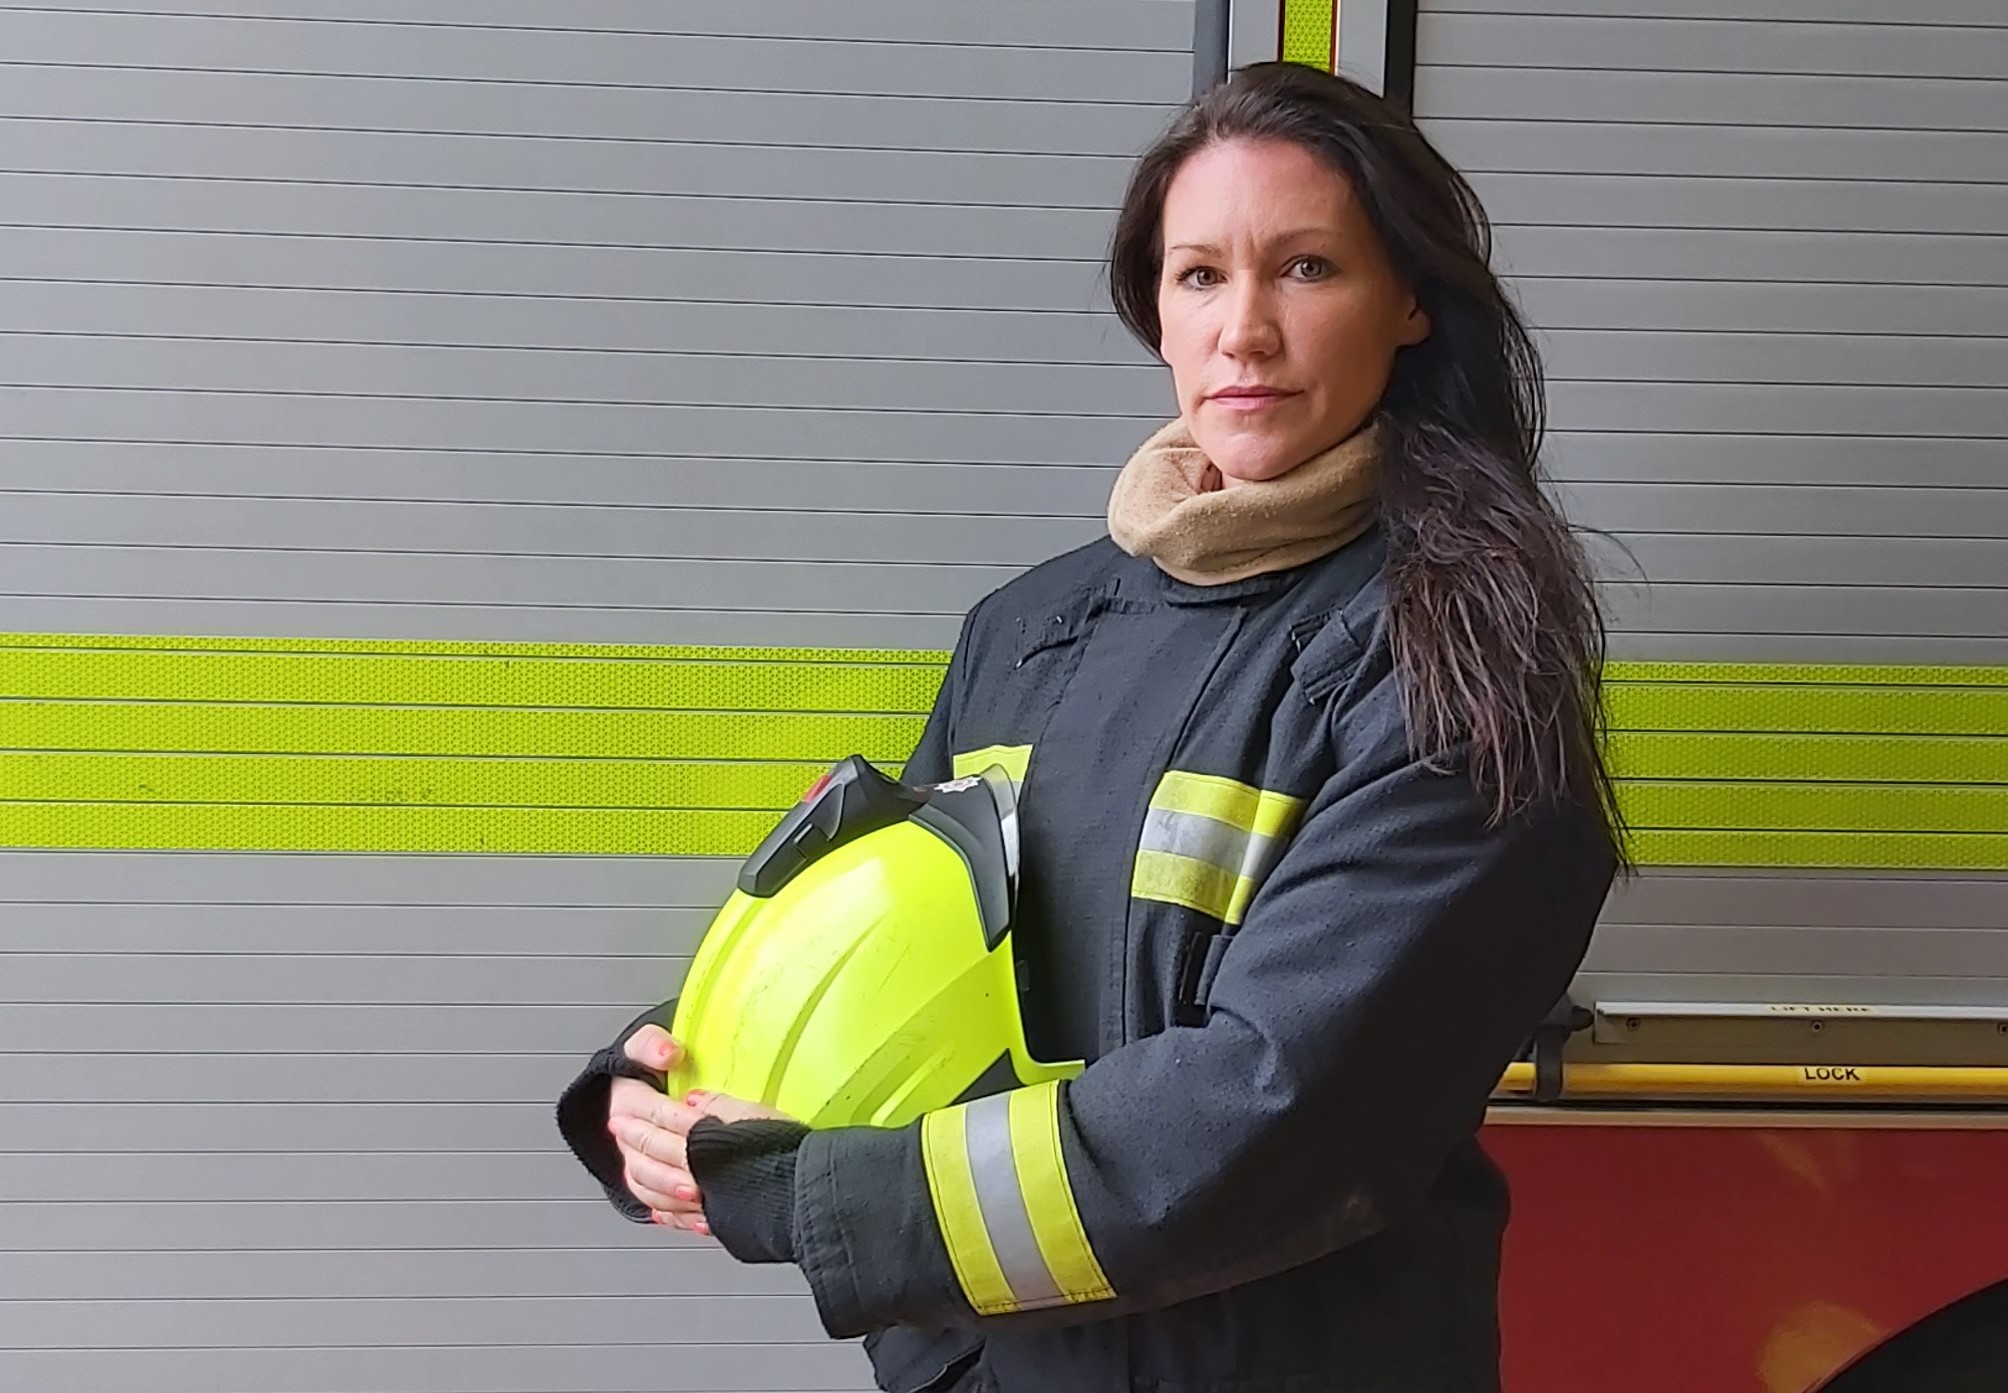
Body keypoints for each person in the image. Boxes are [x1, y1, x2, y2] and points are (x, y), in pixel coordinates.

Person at [556, 61, 1623, 1393]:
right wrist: (683, 1071)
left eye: (1305, 270)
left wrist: (811, 1191)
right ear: (1156, 313)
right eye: (1199, 276)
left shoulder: (1457, 656)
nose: (1244, 331)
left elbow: (1272, 1112)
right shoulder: (1035, 626)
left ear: (1408, 301)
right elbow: (913, 943)